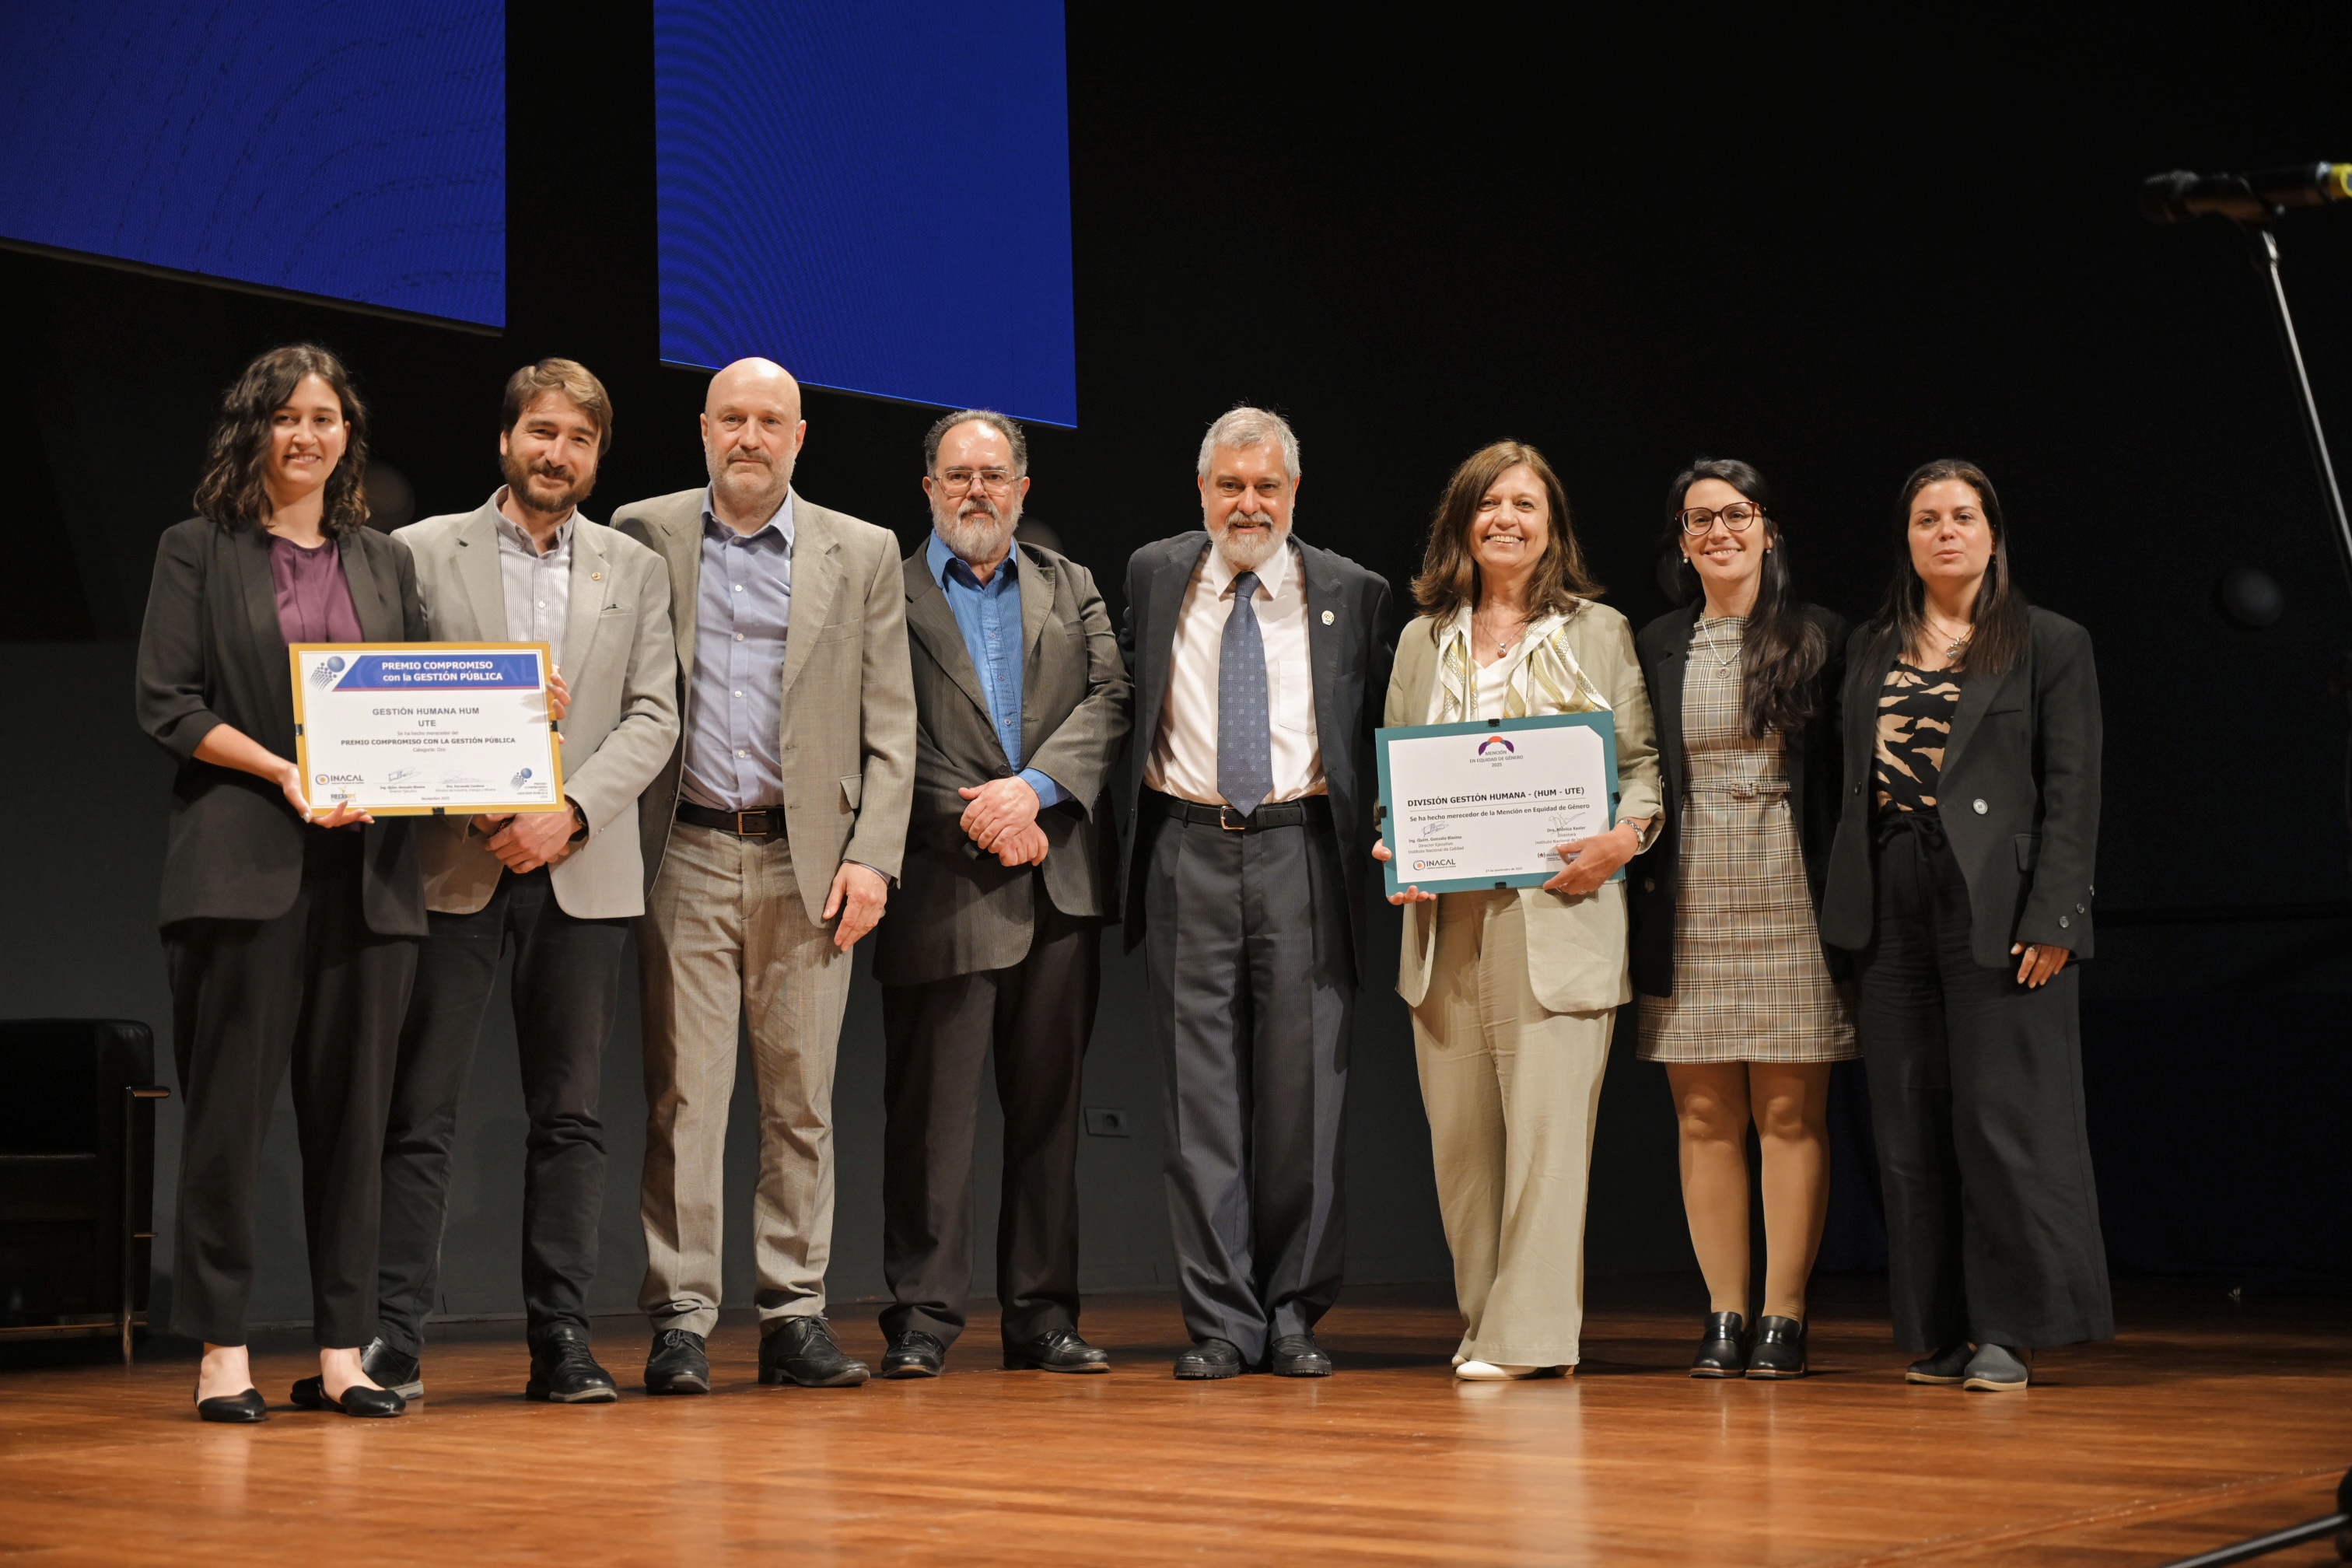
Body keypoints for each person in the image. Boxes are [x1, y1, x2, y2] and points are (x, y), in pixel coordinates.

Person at [363, 360, 679, 1404]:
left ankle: (563, 1342)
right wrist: (480, 797)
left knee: (574, 1118)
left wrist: (570, 813)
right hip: (458, 861)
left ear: (598, 456)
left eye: (580, 439)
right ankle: (396, 1340)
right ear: (506, 441)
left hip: (581, 868)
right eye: (541, 432)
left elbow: (653, 716)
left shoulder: (633, 568)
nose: (558, 454)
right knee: (422, 1110)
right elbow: (393, 702)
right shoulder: (419, 553)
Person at [135, 344, 425, 1421]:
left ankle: (344, 1353)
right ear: (252, 428)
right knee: (227, 1123)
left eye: (328, 417)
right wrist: (282, 772)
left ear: (350, 434)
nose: (308, 435)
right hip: (242, 870)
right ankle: (222, 1352)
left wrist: (518, 711)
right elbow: (167, 703)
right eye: (287, 416)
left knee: (354, 1127)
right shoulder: (196, 552)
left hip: (371, 880)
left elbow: (421, 703)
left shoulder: (385, 562)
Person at [614, 357, 915, 1392]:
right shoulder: (645, 532)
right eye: (732, 418)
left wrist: (875, 853)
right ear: (704, 429)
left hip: (810, 863)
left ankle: (793, 1315)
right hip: (686, 851)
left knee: (800, 1103)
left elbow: (892, 723)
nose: (750, 435)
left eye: (769, 420)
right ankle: (682, 1321)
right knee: (685, 1101)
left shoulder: (862, 549)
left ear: (800, 435)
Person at [1818, 459, 2109, 1394]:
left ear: (1992, 533)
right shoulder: (1870, 646)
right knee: (1908, 1125)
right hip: (1892, 894)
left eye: (1963, 516)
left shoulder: (2051, 643)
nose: (1946, 531)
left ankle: (2008, 1330)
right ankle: (1939, 1329)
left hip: (1998, 902)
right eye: (1927, 518)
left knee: (2001, 1119)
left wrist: (2056, 911)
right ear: (1908, 539)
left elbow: (2072, 789)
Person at [1373, 440, 1661, 1381]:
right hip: (1444, 921)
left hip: (1558, 913)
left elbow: (1641, 772)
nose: (1506, 518)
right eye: (1488, 503)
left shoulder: (1601, 632)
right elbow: (1396, 783)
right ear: (1462, 521)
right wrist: (1395, 845)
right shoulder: (1422, 638)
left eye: (1526, 505)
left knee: (1545, 1145)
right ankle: (1484, 1325)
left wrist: (1625, 840)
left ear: (1553, 527)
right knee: (1463, 1150)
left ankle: (1531, 1341)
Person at [1120, 406, 1393, 1380]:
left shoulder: (1352, 591)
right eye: (1230, 486)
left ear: (1292, 495)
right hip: (1185, 850)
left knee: (1303, 1100)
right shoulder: (1155, 575)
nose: (1248, 504)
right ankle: (1222, 1321)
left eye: (1265, 487)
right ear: (1202, 492)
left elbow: (1384, 730)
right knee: (1199, 1106)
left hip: (1302, 853)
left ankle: (1292, 1312)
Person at [870, 411, 1132, 1378]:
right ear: (929, 489)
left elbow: (1112, 699)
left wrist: (1036, 791)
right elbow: (878, 727)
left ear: (1024, 490)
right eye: (956, 475)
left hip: (1057, 882)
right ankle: (924, 1320)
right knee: (930, 1123)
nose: (976, 490)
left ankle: (1043, 1317)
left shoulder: (1075, 588)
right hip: (942, 882)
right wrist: (979, 811)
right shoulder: (882, 593)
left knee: (1050, 1117)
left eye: (994, 475)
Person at [1629, 458, 1852, 1380]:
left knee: (1791, 1113)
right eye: (1698, 521)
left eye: (1735, 515)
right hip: (1688, 891)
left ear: (1768, 529)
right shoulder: (1656, 644)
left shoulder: (1821, 637)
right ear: (1681, 544)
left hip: (1790, 890)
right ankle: (1724, 1311)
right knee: (1704, 1115)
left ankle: (1784, 1317)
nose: (1718, 533)